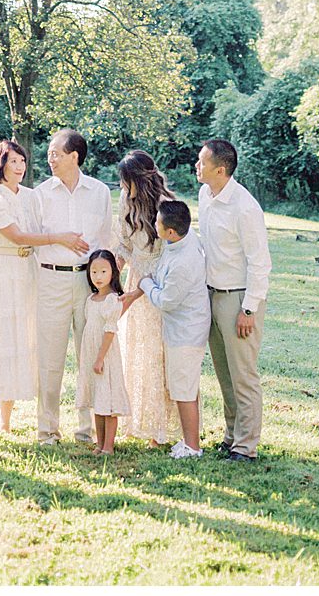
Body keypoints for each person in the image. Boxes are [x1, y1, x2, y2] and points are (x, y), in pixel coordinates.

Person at [0, 139, 85, 443]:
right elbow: (17, 236)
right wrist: (59, 239)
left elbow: (41, 227)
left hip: (29, 274)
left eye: (22, 161)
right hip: (2, 274)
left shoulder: (31, 196)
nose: (19, 167)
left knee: (20, 342)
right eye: (13, 161)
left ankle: (6, 421)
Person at [196, 138, 272, 462]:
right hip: (211, 294)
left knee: (243, 375)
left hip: (238, 299)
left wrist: (249, 309)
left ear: (221, 169)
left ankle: (246, 446)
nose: (196, 166)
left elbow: (260, 262)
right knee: (224, 373)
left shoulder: (245, 207)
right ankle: (231, 437)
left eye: (202, 162)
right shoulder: (204, 195)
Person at [34, 127, 111, 444]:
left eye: (56, 153)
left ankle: (86, 428)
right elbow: (34, 238)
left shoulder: (99, 192)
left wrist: (103, 286)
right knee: (49, 358)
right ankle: (47, 428)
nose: (50, 158)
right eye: (50, 153)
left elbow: (105, 237)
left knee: (88, 353)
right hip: (50, 279)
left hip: (87, 281)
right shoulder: (40, 193)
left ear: (74, 156)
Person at [133, 196, 210, 460]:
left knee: (184, 390)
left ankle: (193, 447)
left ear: (171, 232)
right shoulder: (177, 243)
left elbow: (165, 300)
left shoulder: (183, 262)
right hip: (181, 328)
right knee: (184, 386)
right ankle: (190, 441)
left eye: (158, 222)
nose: (154, 224)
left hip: (186, 332)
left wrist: (145, 285)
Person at [113, 149, 179, 445]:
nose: (124, 187)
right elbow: (123, 245)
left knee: (158, 357)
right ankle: (136, 422)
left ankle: (160, 430)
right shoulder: (126, 202)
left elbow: (166, 257)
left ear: (141, 178)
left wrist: (137, 292)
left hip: (158, 287)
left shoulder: (167, 206)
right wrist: (113, 286)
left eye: (128, 181)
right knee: (136, 353)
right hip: (134, 282)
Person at [75, 249, 131, 456]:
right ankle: (99, 444)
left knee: (108, 402)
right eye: (94, 272)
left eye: (103, 272)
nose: (98, 277)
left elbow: (109, 331)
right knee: (97, 402)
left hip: (105, 356)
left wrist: (100, 358)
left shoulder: (112, 300)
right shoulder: (91, 299)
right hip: (91, 355)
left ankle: (108, 446)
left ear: (113, 273)